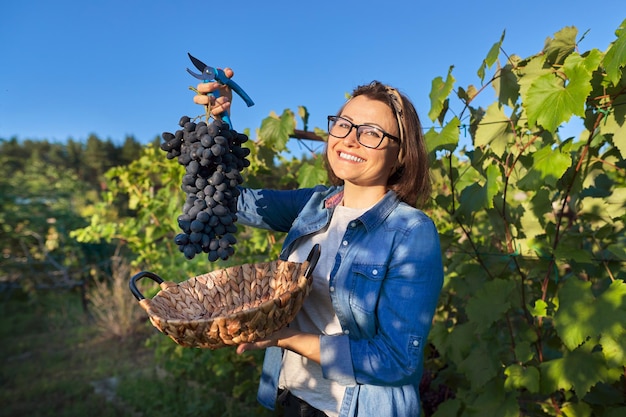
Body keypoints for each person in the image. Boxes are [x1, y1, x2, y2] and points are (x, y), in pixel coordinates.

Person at [193, 69, 444, 417]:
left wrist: (287, 337)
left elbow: (396, 360)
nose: (350, 139)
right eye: (343, 124)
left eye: (371, 132)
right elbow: (229, 199)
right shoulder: (314, 204)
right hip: (294, 398)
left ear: (401, 154)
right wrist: (219, 123)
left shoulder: (411, 232)